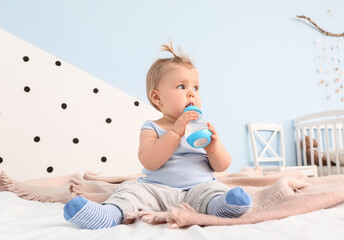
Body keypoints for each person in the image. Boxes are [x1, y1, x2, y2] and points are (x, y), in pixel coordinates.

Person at [63, 42, 252, 230]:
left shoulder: (200, 127)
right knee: (129, 190)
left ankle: (223, 207)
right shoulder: (152, 127)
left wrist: (214, 148)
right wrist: (175, 132)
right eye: (181, 87)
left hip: (198, 188)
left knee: (215, 190)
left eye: (196, 88)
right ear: (157, 98)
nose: (191, 94)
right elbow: (150, 161)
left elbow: (222, 165)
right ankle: (108, 214)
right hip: (156, 189)